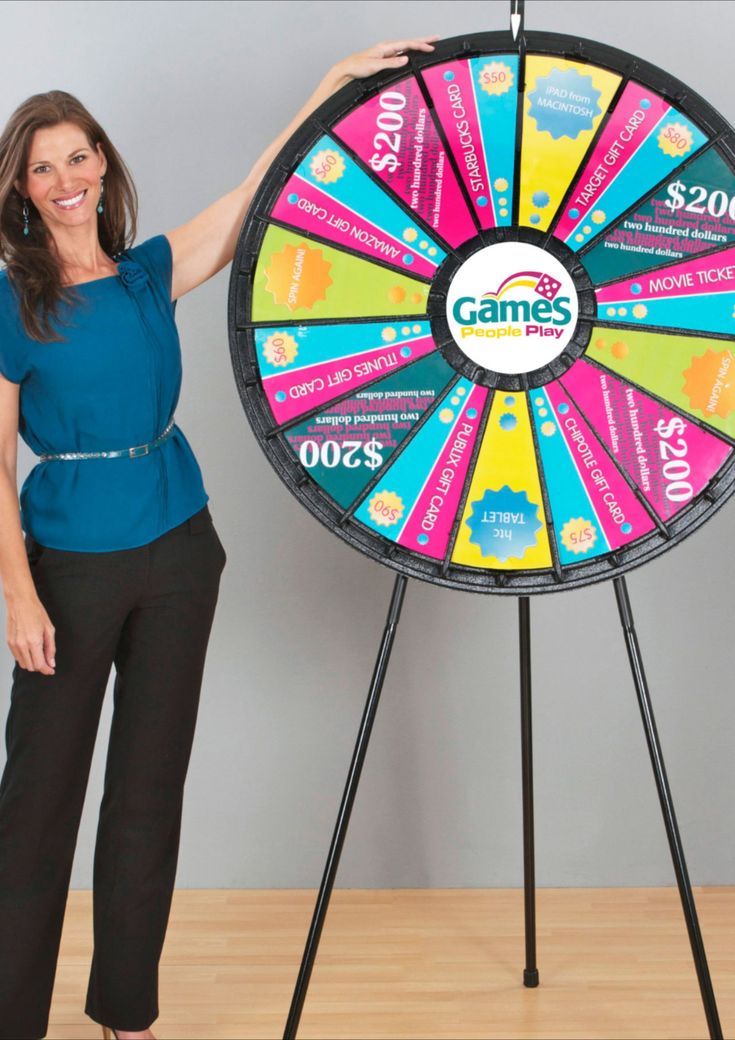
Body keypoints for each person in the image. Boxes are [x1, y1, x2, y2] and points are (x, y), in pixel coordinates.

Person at [0, 35, 437, 1040]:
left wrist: (330, 88)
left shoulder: (149, 274)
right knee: (38, 805)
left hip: (179, 550)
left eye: (80, 156)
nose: (67, 179)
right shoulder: (9, 301)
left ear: (103, 163)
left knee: (149, 790)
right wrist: (18, 594)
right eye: (45, 165)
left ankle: (125, 1011)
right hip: (66, 565)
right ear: (22, 188)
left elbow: (253, 197)